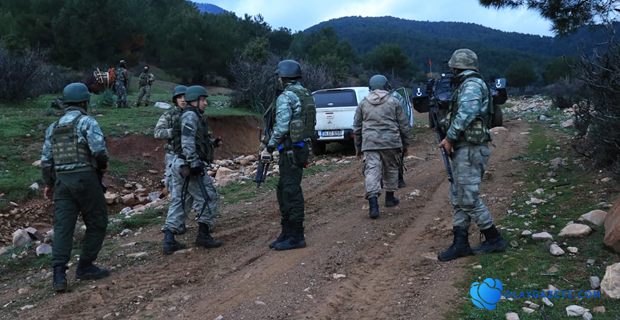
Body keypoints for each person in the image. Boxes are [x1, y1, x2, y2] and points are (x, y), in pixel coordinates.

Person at [437, 48, 507, 261]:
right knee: (458, 197)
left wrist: (450, 137)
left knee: (467, 198)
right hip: (466, 146)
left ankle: (493, 237)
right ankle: (460, 243)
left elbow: (468, 112)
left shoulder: (471, 85)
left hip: (470, 147)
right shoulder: (470, 84)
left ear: (457, 66)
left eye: (453, 67)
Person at [40, 82, 110, 292]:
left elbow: (46, 161)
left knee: (63, 227)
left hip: (62, 181)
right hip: (85, 178)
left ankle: (59, 275)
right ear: (84, 102)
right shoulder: (87, 122)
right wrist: (102, 168)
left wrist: (50, 184)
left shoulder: (53, 127)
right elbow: (99, 150)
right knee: (97, 222)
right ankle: (85, 266)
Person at [161, 85, 223, 254]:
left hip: (180, 165)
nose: (205, 103)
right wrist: (194, 162)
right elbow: (187, 142)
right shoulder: (190, 116)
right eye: (203, 100)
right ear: (194, 101)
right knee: (209, 196)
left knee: (182, 201)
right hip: (187, 166)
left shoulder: (191, 115)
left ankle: (169, 239)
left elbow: (194, 142)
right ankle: (203, 235)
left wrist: (211, 145)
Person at [262, 59, 315, 251]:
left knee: (290, 191)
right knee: (284, 188)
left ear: (283, 77)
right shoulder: (304, 93)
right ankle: (287, 232)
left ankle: (296, 236)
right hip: (299, 149)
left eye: (278, 76)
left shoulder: (286, 96)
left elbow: (282, 126)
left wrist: (269, 146)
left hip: (290, 150)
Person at [353, 74, 411, 219]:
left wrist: (358, 148)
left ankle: (373, 204)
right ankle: (390, 198)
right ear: (386, 86)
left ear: (371, 87)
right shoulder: (394, 101)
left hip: (370, 143)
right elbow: (404, 125)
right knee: (391, 168)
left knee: (372, 171)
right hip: (391, 142)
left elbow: (357, 127)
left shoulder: (363, 103)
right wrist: (405, 144)